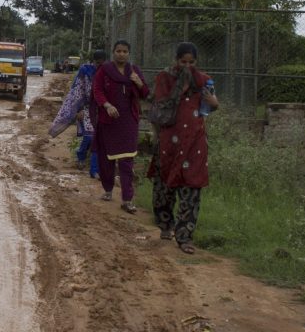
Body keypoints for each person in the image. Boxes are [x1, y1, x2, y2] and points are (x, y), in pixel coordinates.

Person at [148, 42, 219, 254]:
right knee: (165, 184)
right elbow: (157, 109)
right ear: (176, 60)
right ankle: (165, 225)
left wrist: (214, 102)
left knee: (192, 186)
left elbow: (210, 108)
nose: (187, 66)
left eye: (191, 62)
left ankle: (185, 236)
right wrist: (156, 136)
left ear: (196, 62)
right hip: (169, 138)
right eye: (183, 61)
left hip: (194, 140)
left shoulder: (204, 80)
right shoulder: (165, 78)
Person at [91, 39, 149, 214]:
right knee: (107, 158)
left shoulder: (134, 71)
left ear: (129, 53)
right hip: (108, 121)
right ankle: (108, 190)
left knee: (127, 160)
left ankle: (127, 199)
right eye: (118, 51)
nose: (121, 54)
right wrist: (107, 105)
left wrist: (138, 82)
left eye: (125, 51)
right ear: (113, 52)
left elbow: (146, 93)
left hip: (128, 121)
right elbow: (97, 91)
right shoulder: (105, 70)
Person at [49, 50, 107, 178]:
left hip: (102, 109)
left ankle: (94, 170)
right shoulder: (85, 72)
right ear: (93, 61)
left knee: (99, 140)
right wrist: (78, 109)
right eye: (98, 63)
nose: (100, 66)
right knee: (89, 137)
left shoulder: (108, 73)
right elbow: (77, 92)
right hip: (86, 108)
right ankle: (81, 156)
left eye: (102, 63)